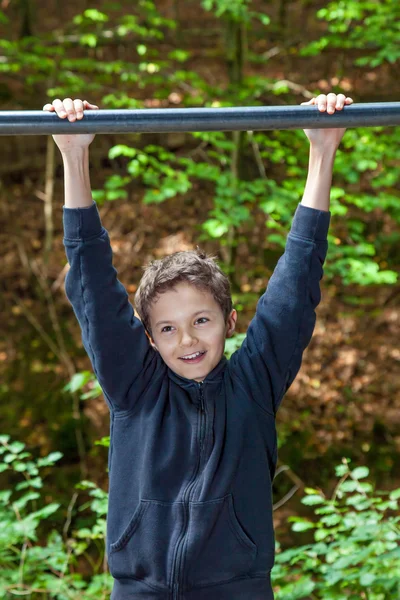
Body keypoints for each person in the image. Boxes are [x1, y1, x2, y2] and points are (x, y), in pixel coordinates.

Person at [43, 92, 353, 600]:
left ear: (230, 322)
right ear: (148, 337)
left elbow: (295, 287)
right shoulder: (135, 388)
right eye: (167, 328)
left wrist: (321, 150)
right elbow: (95, 290)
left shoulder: (254, 383)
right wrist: (74, 153)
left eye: (201, 321)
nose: (186, 339)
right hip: (139, 589)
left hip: (236, 589)